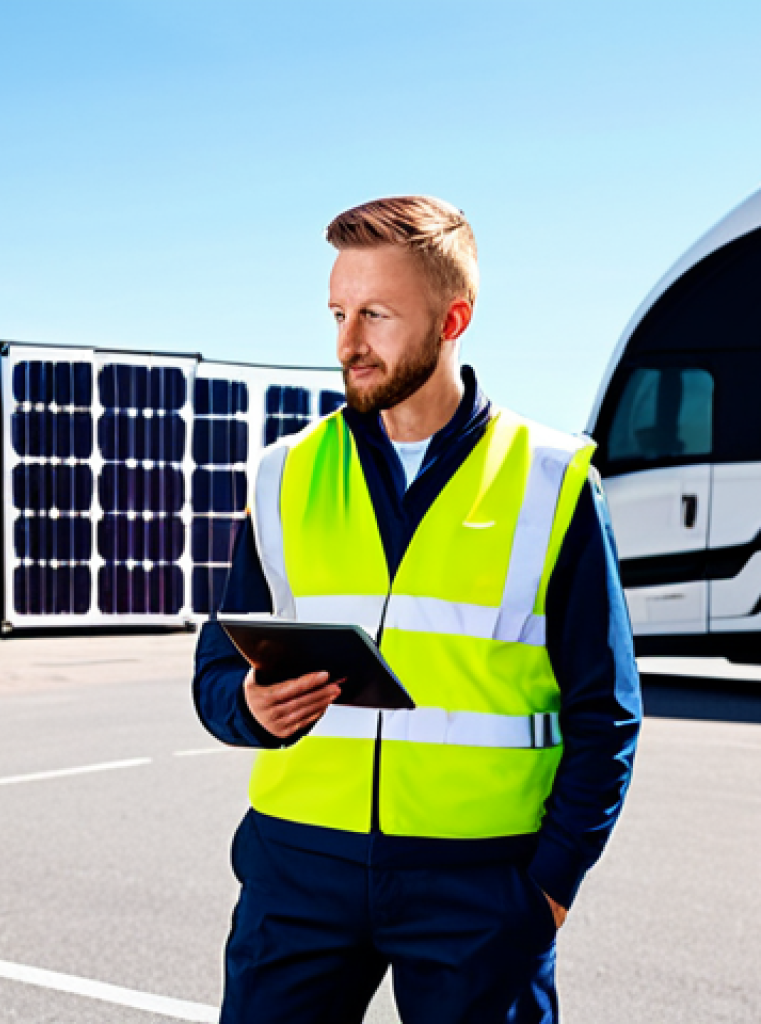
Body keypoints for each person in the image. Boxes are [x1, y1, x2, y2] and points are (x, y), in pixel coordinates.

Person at [193, 195, 641, 1024]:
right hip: (297, 868)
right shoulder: (285, 475)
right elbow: (217, 671)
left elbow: (607, 713)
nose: (347, 344)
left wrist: (549, 889)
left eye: (374, 314)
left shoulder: (551, 482)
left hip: (479, 889)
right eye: (337, 313)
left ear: (452, 318)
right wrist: (248, 707)